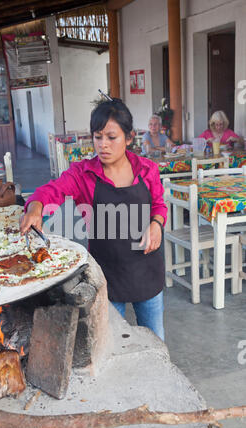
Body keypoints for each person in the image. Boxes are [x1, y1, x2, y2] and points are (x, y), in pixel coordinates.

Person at [20, 99, 168, 341]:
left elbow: (159, 205)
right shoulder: (83, 174)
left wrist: (157, 224)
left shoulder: (147, 169)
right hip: (108, 275)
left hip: (146, 270)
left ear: (129, 138)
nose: (103, 145)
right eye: (98, 137)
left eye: (112, 137)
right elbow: (52, 191)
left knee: (156, 340)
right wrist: (35, 206)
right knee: (107, 343)